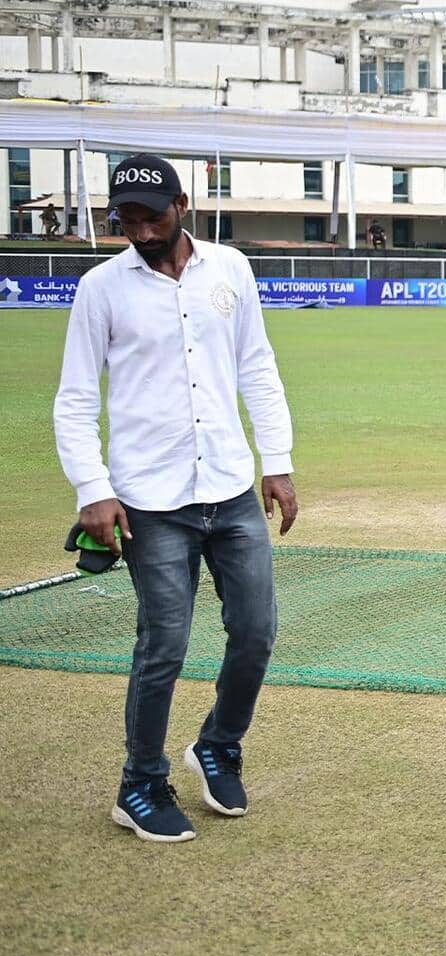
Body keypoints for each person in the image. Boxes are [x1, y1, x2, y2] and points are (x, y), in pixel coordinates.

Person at [52, 153, 297, 843]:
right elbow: (74, 399)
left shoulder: (231, 269)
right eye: (125, 219)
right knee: (163, 643)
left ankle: (218, 744)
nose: (140, 230)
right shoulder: (102, 287)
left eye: (152, 216)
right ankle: (140, 783)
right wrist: (93, 491)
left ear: (182, 205)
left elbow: (257, 366)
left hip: (229, 484)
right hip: (149, 498)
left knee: (255, 632)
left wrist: (276, 463)